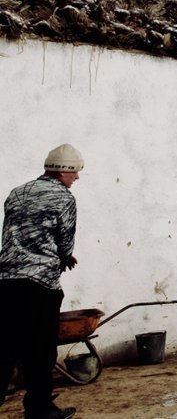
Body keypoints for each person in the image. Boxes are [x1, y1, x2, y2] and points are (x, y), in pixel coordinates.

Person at [0, 144, 83, 419]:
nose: (77, 178)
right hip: (40, 285)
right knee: (40, 350)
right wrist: (64, 257)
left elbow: (11, 236)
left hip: (6, 281)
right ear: (64, 171)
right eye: (76, 172)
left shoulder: (16, 193)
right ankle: (40, 409)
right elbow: (64, 241)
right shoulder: (64, 198)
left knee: (5, 348)